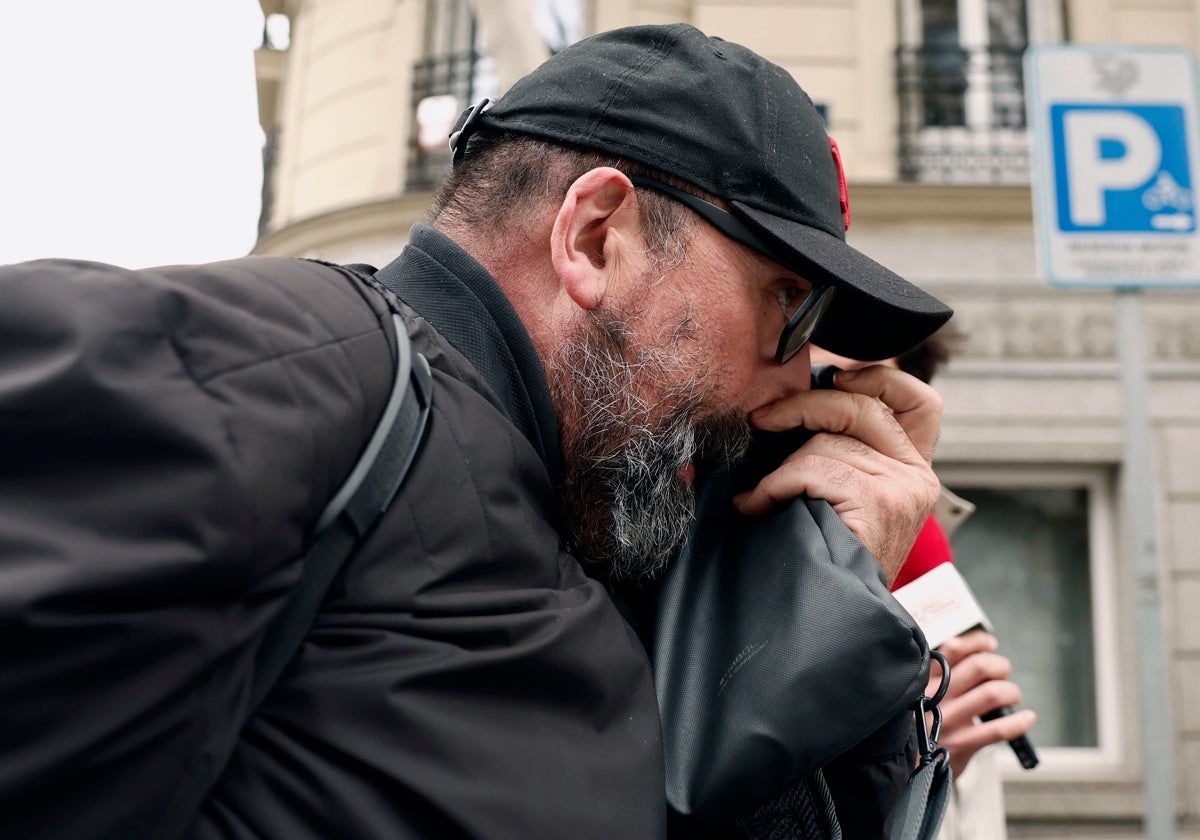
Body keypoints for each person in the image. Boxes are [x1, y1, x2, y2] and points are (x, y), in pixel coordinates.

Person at [0, 23, 953, 839]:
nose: (796, 375)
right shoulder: (287, 367)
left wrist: (812, 614)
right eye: (786, 303)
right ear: (595, 238)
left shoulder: (596, 541)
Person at [812, 326, 1037, 840]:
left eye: (853, 390)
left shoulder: (928, 554)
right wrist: (895, 761)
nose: (825, 415)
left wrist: (933, 772)